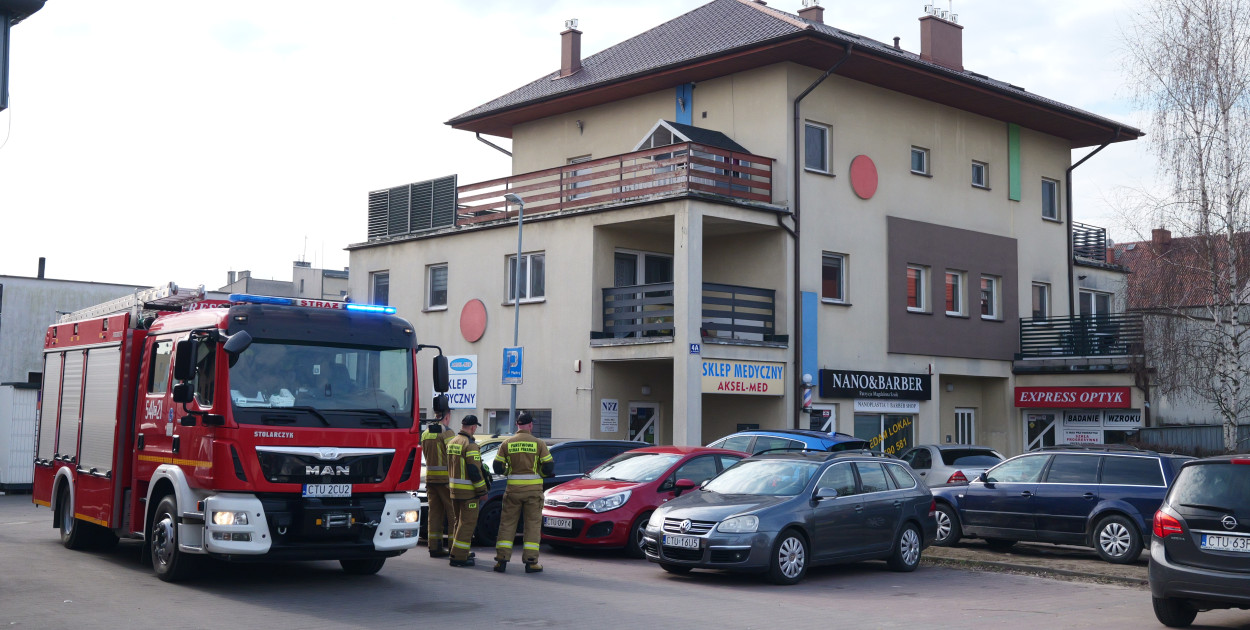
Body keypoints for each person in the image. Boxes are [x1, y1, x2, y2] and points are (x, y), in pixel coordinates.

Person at [492, 412, 554, 574]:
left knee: (507, 524)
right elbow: (548, 468)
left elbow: (497, 467)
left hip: (513, 491)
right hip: (533, 492)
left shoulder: (507, 443)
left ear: (517, 425)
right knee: (532, 526)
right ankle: (531, 562)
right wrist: (540, 471)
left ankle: (501, 560)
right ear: (530, 425)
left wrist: (508, 473)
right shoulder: (539, 444)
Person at [446, 414, 488, 567]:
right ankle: (459, 557)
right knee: (467, 523)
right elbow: (474, 470)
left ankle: (457, 551)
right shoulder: (469, 445)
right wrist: (482, 491)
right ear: (472, 427)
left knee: (459, 522)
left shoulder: (452, 442)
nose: (475, 429)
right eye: (475, 426)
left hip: (454, 490)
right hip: (468, 492)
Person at [420, 408, 456, 558]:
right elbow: (453, 455)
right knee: (454, 514)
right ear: (447, 417)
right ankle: (455, 549)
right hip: (446, 480)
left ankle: (434, 547)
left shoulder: (425, 433)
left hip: (430, 480)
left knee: (434, 514)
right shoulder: (447, 433)